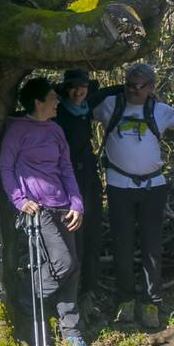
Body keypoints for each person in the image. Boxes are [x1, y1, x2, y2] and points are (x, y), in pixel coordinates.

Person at [0, 76, 88, 346]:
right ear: (38, 102)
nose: (57, 101)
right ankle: (26, 296)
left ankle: (71, 330)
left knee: (71, 269)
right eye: (52, 97)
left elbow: (66, 168)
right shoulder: (17, 130)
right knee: (63, 263)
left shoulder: (55, 130)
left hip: (63, 206)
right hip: (39, 210)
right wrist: (19, 200)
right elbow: (5, 167)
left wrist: (77, 204)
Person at [93, 63, 174, 330]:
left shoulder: (162, 111)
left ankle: (151, 301)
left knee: (151, 246)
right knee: (122, 245)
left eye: (140, 86)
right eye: (129, 85)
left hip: (154, 188)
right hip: (119, 187)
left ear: (152, 87)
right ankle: (125, 301)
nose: (134, 90)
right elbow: (82, 106)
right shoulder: (110, 105)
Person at [52, 69, 105, 308]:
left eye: (82, 87)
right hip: (68, 179)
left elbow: (113, 90)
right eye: (72, 87)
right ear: (64, 90)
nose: (78, 92)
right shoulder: (57, 112)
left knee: (93, 233)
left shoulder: (85, 107)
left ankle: (90, 290)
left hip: (90, 178)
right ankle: (70, 296)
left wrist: (147, 92)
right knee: (75, 237)